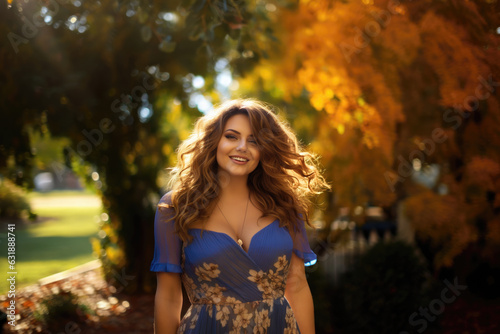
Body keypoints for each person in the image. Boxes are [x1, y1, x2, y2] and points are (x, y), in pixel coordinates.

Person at [150, 98, 330, 333]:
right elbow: (169, 296)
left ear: (264, 150)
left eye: (254, 141)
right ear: (214, 141)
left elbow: (296, 285)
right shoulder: (176, 207)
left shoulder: (285, 205)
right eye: (232, 136)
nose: (242, 146)